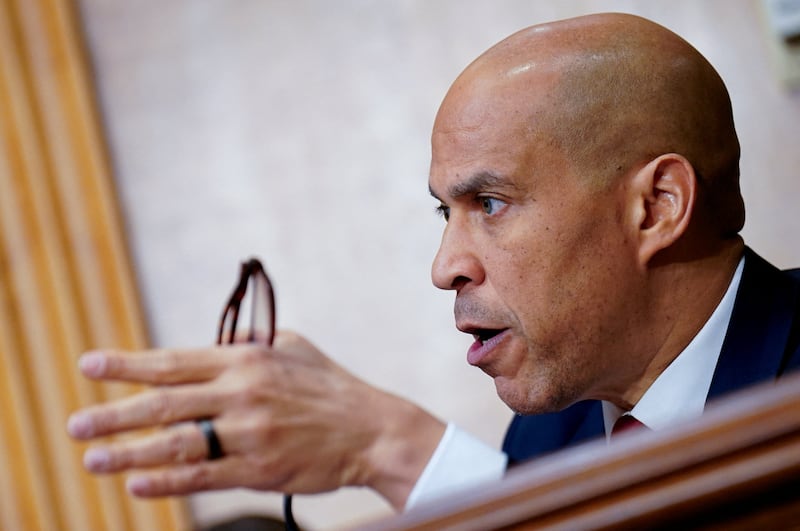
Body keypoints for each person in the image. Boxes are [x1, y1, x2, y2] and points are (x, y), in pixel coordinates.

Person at [67, 12, 800, 515]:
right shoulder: (549, 434)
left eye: (489, 202)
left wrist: (393, 449)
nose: (445, 265)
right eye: (441, 213)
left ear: (657, 206)